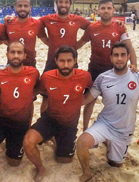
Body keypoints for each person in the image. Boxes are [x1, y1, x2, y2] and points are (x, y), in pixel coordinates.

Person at [76, 42, 139, 182]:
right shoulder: (102, 78)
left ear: (128, 57)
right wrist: (64, 96)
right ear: (111, 58)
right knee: (81, 142)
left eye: (123, 55)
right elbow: (87, 99)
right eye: (116, 55)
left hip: (124, 130)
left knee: (115, 164)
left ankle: (109, 142)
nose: (119, 58)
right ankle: (87, 173)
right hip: (105, 123)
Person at [23, 45, 92, 182]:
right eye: (62, 61)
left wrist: (81, 103)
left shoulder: (85, 76)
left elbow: (93, 92)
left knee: (64, 160)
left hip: (69, 124)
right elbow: (35, 91)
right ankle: (41, 168)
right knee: (28, 142)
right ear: (55, 60)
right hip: (50, 119)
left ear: (75, 61)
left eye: (69, 61)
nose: (65, 65)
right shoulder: (47, 77)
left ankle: (55, 139)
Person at [0, 41, 40, 182]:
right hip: (1, 121)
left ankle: (9, 144)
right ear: (7, 55)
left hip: (20, 125)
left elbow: (39, 89)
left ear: (25, 55)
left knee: (14, 163)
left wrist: (27, 97)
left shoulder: (33, 73)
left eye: (19, 52)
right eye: (12, 52)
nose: (16, 55)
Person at [76, 0, 137, 131]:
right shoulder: (92, 28)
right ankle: (86, 129)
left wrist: (134, 64)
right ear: (98, 10)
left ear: (113, 10)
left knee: (113, 103)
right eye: (103, 8)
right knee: (90, 101)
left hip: (114, 71)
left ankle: (111, 130)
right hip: (95, 70)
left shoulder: (119, 28)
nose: (106, 11)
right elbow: (80, 43)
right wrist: (64, 50)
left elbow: (129, 47)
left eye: (109, 8)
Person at [39, 0, 90, 112]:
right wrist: (50, 43)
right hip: (52, 62)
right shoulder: (46, 19)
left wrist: (80, 43)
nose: (63, 4)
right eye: (60, 2)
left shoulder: (77, 20)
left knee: (71, 95)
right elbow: (33, 26)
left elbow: (92, 28)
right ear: (56, 3)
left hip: (71, 63)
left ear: (70, 4)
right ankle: (43, 124)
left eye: (66, 2)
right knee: (46, 98)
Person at [5, 0, 48, 67]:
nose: (23, 8)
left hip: (30, 64)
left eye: (26, 6)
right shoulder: (8, 23)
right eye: (20, 6)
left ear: (30, 7)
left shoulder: (37, 24)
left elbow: (44, 39)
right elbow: (2, 40)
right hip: (12, 64)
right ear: (15, 7)